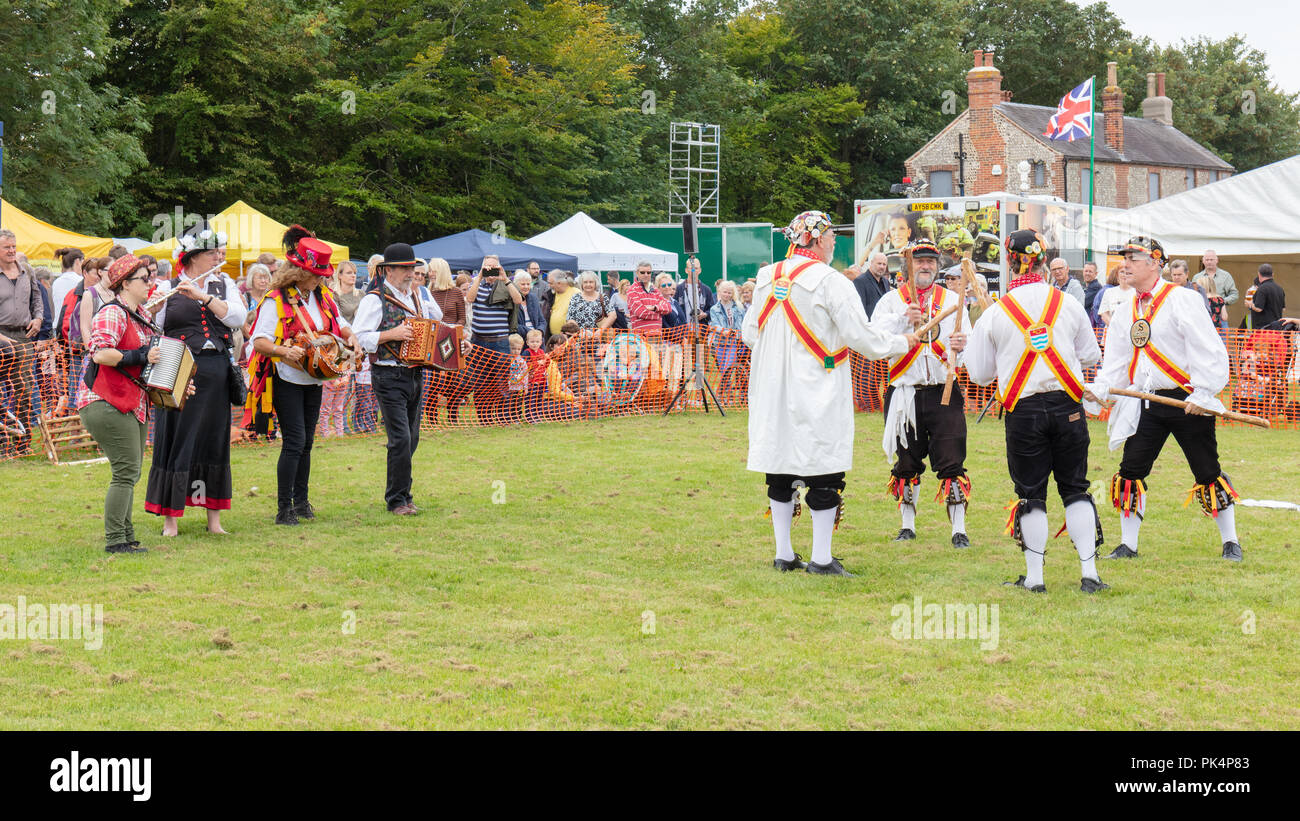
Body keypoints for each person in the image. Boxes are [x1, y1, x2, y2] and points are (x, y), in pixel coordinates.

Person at [743, 210, 916, 577]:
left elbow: (748, 334)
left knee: (780, 466)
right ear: (818, 239)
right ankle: (821, 559)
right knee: (822, 468)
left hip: (773, 387)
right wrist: (904, 341)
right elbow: (863, 338)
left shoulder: (764, 277)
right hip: (816, 385)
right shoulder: (831, 280)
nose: (835, 239)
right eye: (832, 234)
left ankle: (784, 554)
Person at [965, 229, 1108, 593]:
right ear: (1044, 261)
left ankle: (1035, 579)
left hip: (1024, 411)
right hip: (1068, 407)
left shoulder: (995, 314)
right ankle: (1089, 575)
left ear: (1010, 263)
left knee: (1032, 493)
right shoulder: (1069, 303)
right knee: (1075, 488)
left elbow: (980, 375)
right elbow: (1091, 354)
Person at [1087, 236, 1242, 563]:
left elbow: (1207, 348)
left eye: (1133, 258)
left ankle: (1231, 541)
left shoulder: (1181, 300)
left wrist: (1203, 392)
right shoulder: (1126, 307)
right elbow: (1116, 358)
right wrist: (1101, 388)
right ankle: (1128, 545)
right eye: (1124, 258)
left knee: (1207, 472)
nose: (1125, 264)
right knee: (1130, 471)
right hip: (1146, 402)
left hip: (1188, 401)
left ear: (1156, 263)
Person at [247, 226, 359, 523]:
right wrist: (284, 351)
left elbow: (339, 324)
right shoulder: (276, 299)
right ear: (298, 272)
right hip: (286, 378)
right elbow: (258, 341)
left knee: (308, 441)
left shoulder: (322, 295)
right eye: (316, 273)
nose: (321, 277)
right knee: (295, 441)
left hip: (314, 378)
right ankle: (284, 508)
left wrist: (352, 336)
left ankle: (302, 502)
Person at [869, 238, 973, 548]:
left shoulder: (952, 300)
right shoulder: (891, 301)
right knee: (906, 462)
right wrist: (904, 319)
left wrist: (961, 347)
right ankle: (907, 526)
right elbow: (873, 337)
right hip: (905, 392)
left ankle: (959, 530)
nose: (925, 265)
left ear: (938, 266)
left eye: (930, 260)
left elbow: (967, 342)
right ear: (908, 266)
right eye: (919, 260)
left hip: (945, 390)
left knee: (952, 462)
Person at [145, 226, 247, 536]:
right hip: (178, 370)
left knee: (213, 439)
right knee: (177, 438)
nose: (218, 257)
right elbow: (152, 326)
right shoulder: (169, 285)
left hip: (215, 368)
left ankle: (213, 520)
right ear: (192, 258)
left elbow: (238, 318)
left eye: (218, 251)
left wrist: (203, 297)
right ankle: (170, 519)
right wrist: (159, 304)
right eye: (211, 253)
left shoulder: (224, 284)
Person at [76, 255, 178, 553]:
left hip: (130, 400)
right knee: (125, 472)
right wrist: (142, 356)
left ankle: (126, 535)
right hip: (105, 400)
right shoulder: (113, 313)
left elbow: (149, 364)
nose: (151, 283)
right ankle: (116, 541)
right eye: (144, 279)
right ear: (125, 284)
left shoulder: (140, 315)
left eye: (150, 277)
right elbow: (101, 354)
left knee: (129, 472)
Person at [352, 243, 449, 513]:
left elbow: (434, 327)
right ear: (388, 270)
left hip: (415, 373)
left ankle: (404, 494)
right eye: (405, 269)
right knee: (400, 438)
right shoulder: (374, 298)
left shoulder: (417, 296)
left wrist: (454, 341)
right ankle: (397, 499)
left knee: (413, 437)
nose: (410, 273)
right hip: (387, 374)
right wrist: (390, 335)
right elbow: (358, 337)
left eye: (412, 268)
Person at [0, 229, 44, 450]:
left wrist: (38, 318)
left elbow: (37, 297)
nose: (11, 251)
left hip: (24, 336)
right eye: (6, 247)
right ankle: (2, 441)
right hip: (0, 335)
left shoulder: (26, 270)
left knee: (24, 391)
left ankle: (22, 443)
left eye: (13, 246)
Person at [708, 280, 746, 398]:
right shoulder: (714, 309)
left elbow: (741, 324)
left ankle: (720, 393)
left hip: (732, 343)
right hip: (719, 343)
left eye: (729, 293)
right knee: (723, 369)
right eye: (725, 292)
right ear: (719, 292)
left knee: (728, 367)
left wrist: (736, 334)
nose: (727, 295)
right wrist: (724, 331)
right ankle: (727, 394)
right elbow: (715, 324)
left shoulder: (738, 307)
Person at [1195, 250, 1237, 330]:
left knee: (1222, 342)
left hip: (1220, 317)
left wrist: (1220, 302)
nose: (1209, 262)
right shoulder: (1197, 277)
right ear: (1203, 261)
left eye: (1211, 259)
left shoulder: (1226, 276)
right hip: (1202, 318)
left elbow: (1234, 294)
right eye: (1207, 260)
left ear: (1217, 260)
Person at [626, 262, 673, 332]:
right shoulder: (632, 291)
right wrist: (659, 314)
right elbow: (641, 313)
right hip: (641, 337)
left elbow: (668, 308)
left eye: (648, 272)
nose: (646, 275)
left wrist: (654, 308)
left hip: (657, 336)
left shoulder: (655, 290)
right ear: (637, 273)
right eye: (642, 272)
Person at [674, 257, 715, 329]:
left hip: (701, 331)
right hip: (683, 332)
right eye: (691, 268)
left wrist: (704, 314)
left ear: (700, 270)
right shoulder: (678, 289)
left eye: (696, 268)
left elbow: (712, 309)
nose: (693, 271)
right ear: (686, 270)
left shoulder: (706, 290)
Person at [1247, 264, 1285, 330]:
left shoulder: (1262, 288)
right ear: (1273, 274)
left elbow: (1258, 308)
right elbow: (1283, 308)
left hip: (1263, 329)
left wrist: (1250, 304)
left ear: (1259, 274)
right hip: (1277, 327)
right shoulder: (1280, 288)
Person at [545, 269, 576, 336]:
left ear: (559, 283)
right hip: (553, 338)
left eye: (551, 283)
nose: (549, 286)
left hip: (569, 337)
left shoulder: (576, 293)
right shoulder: (551, 294)